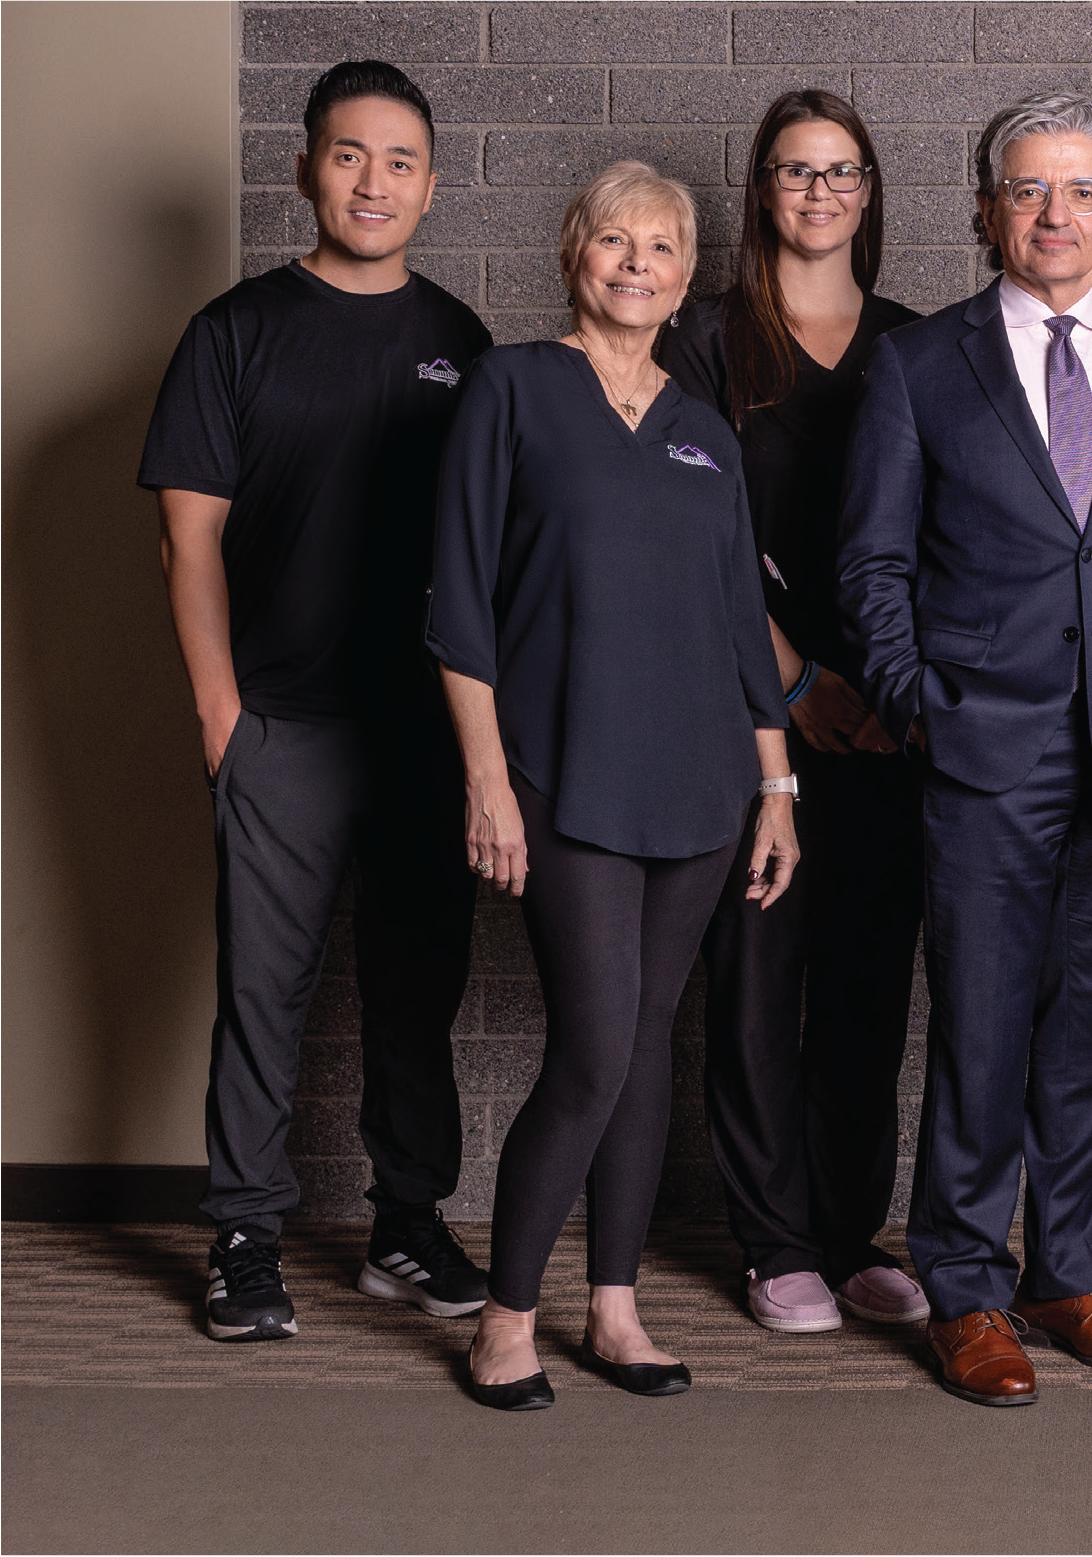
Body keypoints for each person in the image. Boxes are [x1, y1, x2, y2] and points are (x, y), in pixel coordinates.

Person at [837, 91, 1092, 1408]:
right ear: (984, 209)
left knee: (1089, 1037)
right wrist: (918, 699)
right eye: (1028, 189)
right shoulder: (919, 366)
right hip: (981, 753)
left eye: (1078, 190)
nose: (1054, 213)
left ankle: (1065, 1277)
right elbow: (873, 561)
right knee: (980, 1028)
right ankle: (965, 1286)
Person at [428, 162, 799, 1411]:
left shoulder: (703, 430)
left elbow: (742, 627)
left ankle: (616, 1309)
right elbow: (459, 603)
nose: (636, 264)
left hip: (699, 785)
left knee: (646, 1053)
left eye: (661, 248)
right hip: (563, 775)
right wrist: (487, 782)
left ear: (688, 276)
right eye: (613, 242)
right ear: (572, 255)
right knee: (593, 1049)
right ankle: (506, 1319)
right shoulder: (512, 389)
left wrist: (778, 788)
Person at [140, 60, 491, 1344]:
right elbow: (187, 547)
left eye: (399, 161)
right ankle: (243, 1235)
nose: (373, 181)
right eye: (349, 154)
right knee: (264, 992)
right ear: (305, 170)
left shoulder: (461, 345)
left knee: (415, 990)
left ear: (432, 187)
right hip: (279, 727)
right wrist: (223, 722)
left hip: (420, 736)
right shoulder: (232, 333)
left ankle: (406, 1224)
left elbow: (489, 554)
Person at [658, 90, 930, 1336]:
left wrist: (888, 696)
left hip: (888, 723)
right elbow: (688, 535)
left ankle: (843, 1229)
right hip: (754, 715)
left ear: (869, 192)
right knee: (760, 977)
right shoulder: (708, 341)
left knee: (870, 985)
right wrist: (793, 684)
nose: (817, 193)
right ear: (761, 188)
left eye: (840, 172)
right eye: (792, 171)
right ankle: (772, 1244)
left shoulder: (918, 344)